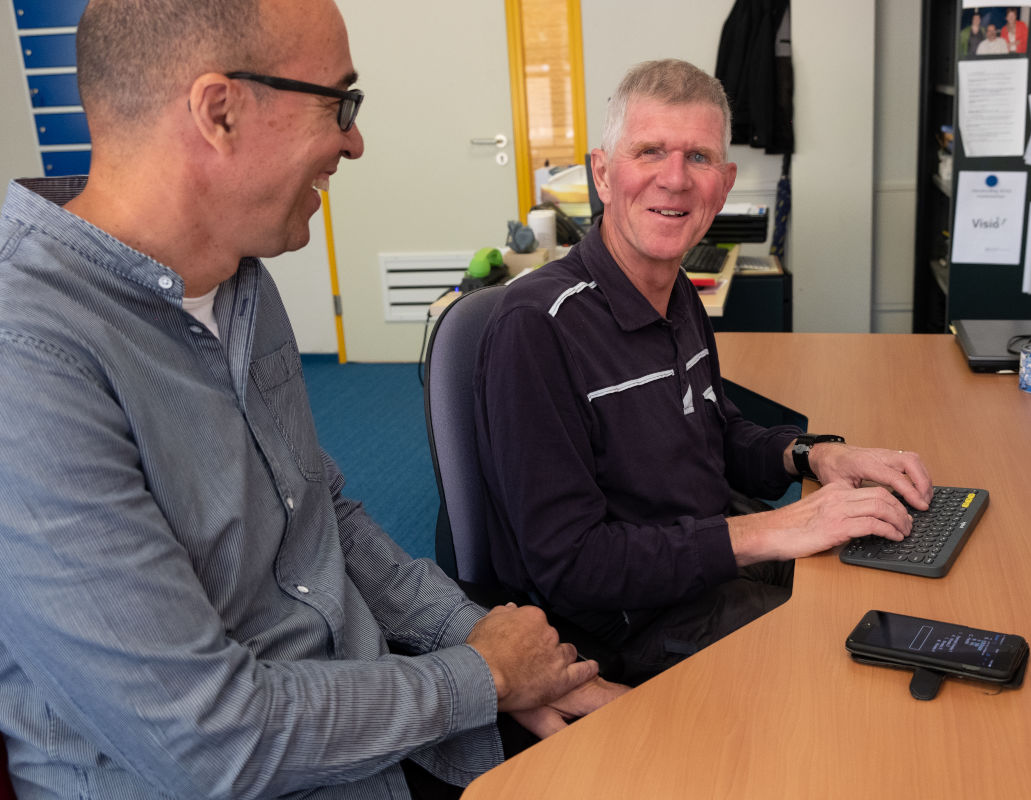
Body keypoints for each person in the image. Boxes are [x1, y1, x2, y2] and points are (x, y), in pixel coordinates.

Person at [0, 1, 624, 798]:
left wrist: (488, 642)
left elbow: (321, 511)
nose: (353, 141)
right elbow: (210, 741)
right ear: (219, 111)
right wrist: (484, 677)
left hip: (371, 724)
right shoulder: (30, 361)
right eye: (339, 103)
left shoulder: (236, 281)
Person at [474, 59, 933, 685]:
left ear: (725, 182)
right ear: (603, 174)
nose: (675, 179)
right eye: (650, 151)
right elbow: (572, 564)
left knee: (895, 583)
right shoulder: (537, 327)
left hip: (704, 561)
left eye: (698, 158)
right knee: (854, 667)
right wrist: (769, 530)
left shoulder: (677, 288)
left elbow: (715, 437)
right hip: (627, 622)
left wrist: (816, 457)